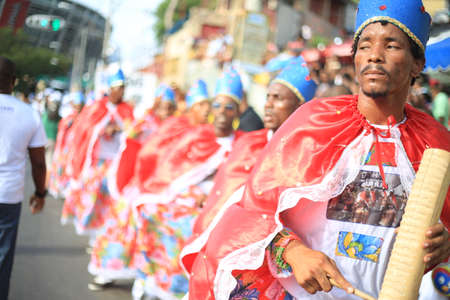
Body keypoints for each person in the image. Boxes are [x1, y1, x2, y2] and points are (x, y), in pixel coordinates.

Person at [186, 1, 450, 299]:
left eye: (391, 46)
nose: (374, 56)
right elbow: (250, 213)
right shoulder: (314, 122)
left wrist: (446, 244)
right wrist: (292, 251)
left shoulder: (436, 142)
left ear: (417, 63)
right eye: (364, 45)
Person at [180, 58, 317, 281]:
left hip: (272, 249)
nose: (269, 104)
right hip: (227, 235)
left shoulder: (305, 153)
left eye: (278, 98)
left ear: (300, 107)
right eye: (268, 97)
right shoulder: (249, 142)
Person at [131, 69, 245, 300]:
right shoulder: (199, 134)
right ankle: (152, 279)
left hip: (222, 204)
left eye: (228, 107)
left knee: (198, 229)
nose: (222, 112)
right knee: (151, 213)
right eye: (217, 106)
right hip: (186, 195)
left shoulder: (245, 142)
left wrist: (215, 197)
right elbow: (171, 167)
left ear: (237, 112)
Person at [86, 80, 211, 290]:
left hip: (170, 188)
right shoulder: (160, 124)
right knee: (123, 225)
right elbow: (144, 151)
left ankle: (153, 280)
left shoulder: (194, 129)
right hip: (143, 183)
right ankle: (108, 272)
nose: (165, 110)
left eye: (170, 107)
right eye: (162, 105)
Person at [61, 69, 134, 238]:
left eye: (123, 87)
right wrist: (103, 129)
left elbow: (132, 130)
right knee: (93, 198)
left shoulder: (127, 109)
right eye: (117, 87)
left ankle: (104, 234)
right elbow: (85, 129)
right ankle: (90, 229)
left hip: (116, 162)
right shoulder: (97, 107)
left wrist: (121, 129)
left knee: (113, 200)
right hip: (96, 161)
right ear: (110, 89)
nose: (121, 91)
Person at [0, 56, 47, 299]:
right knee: (2, 262)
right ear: (14, 81)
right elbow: (39, 163)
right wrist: (40, 193)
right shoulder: (29, 114)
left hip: (9, 195)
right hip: (8, 196)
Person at [48, 91, 85, 199]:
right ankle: (60, 188)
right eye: (76, 104)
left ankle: (68, 189)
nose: (78, 106)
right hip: (65, 148)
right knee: (61, 168)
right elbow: (62, 131)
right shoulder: (68, 117)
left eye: (80, 104)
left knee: (71, 169)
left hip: (76, 149)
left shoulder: (83, 117)